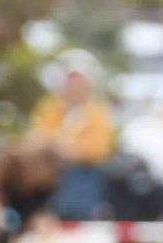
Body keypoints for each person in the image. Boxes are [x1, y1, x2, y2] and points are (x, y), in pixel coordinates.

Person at [30, 49, 117, 220]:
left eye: (79, 80)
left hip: (84, 178)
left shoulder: (97, 112)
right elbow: (38, 140)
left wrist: (63, 149)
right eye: (70, 80)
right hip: (50, 175)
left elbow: (99, 149)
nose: (74, 85)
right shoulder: (49, 108)